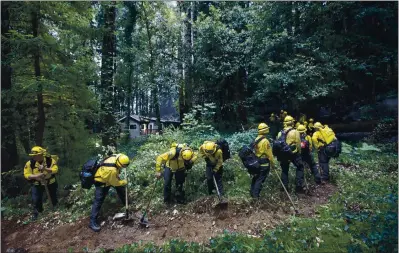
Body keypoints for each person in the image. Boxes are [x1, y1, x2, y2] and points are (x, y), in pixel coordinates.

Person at [89, 153, 130, 232]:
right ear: (119, 163)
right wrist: (123, 182)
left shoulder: (119, 156)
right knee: (98, 201)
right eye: (123, 166)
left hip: (109, 177)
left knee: (121, 190)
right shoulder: (112, 170)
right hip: (101, 181)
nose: (124, 167)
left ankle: (127, 205)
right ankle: (92, 222)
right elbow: (114, 183)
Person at [24, 146, 59, 221]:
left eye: (36, 155)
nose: (34, 157)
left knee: (53, 197)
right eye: (33, 155)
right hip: (37, 184)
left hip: (51, 182)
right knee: (36, 199)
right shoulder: (30, 163)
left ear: (41, 155)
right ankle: (37, 214)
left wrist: (45, 169)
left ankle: (55, 210)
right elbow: (26, 174)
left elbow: (55, 170)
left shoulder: (50, 160)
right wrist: (36, 176)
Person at [276, 116, 306, 194]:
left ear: (285, 123)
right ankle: (299, 187)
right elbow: (298, 144)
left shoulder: (280, 132)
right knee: (300, 167)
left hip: (283, 154)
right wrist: (299, 153)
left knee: (284, 170)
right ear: (292, 122)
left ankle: (284, 188)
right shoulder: (295, 132)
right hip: (293, 153)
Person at [251, 123, 275, 198]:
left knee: (256, 179)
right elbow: (270, 155)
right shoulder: (265, 141)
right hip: (264, 163)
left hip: (257, 162)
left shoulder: (256, 139)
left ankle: (252, 194)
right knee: (260, 180)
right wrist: (273, 164)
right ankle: (256, 197)